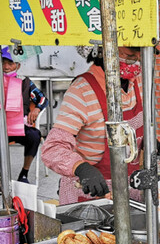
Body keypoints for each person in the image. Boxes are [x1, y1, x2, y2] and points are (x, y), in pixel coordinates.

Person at [42, 44, 144, 204]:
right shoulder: (82, 90)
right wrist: (81, 168)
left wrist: (147, 142)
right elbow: (52, 148)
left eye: (140, 53)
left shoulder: (138, 83)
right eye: (131, 53)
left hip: (131, 193)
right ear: (104, 50)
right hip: (89, 197)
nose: (138, 59)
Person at [0, 47, 48, 187]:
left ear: (18, 65)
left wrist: (37, 109)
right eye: (3, 63)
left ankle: (24, 174)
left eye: (11, 63)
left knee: (34, 136)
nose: (6, 67)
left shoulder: (25, 82)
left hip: (19, 127)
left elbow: (42, 98)